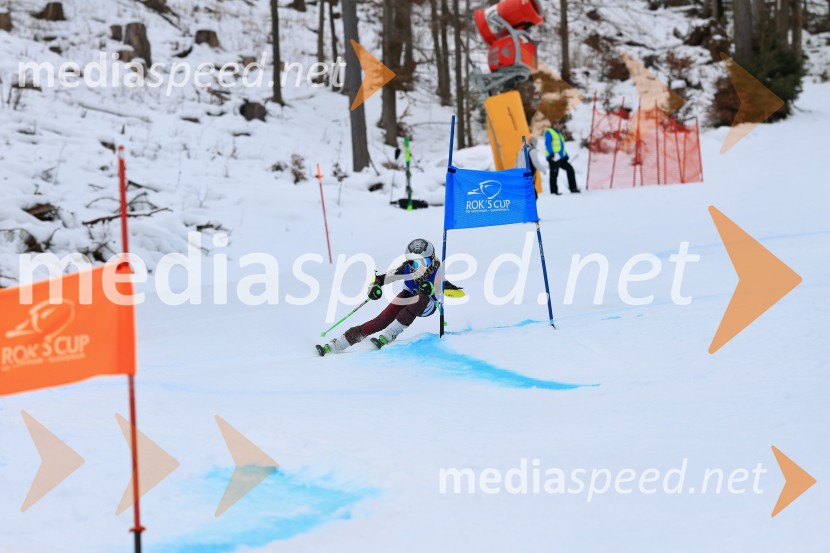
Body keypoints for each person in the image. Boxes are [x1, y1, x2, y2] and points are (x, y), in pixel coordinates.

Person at [318, 239, 458, 355]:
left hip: (427, 305)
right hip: (408, 296)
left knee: (421, 295)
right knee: (382, 320)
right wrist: (375, 287)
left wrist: (436, 288)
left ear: (432, 260)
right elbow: (382, 278)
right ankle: (339, 344)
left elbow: (456, 292)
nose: (420, 268)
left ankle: (390, 334)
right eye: (415, 263)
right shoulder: (406, 269)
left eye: (424, 263)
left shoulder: (437, 274)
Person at [545, 121, 580, 195]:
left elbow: (561, 147)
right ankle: (554, 192)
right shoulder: (549, 132)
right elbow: (548, 144)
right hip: (553, 157)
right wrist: (551, 154)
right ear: (553, 125)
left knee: (570, 169)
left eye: (559, 124)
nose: (558, 126)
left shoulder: (558, 134)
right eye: (556, 124)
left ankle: (573, 188)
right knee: (554, 174)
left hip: (561, 157)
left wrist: (565, 156)